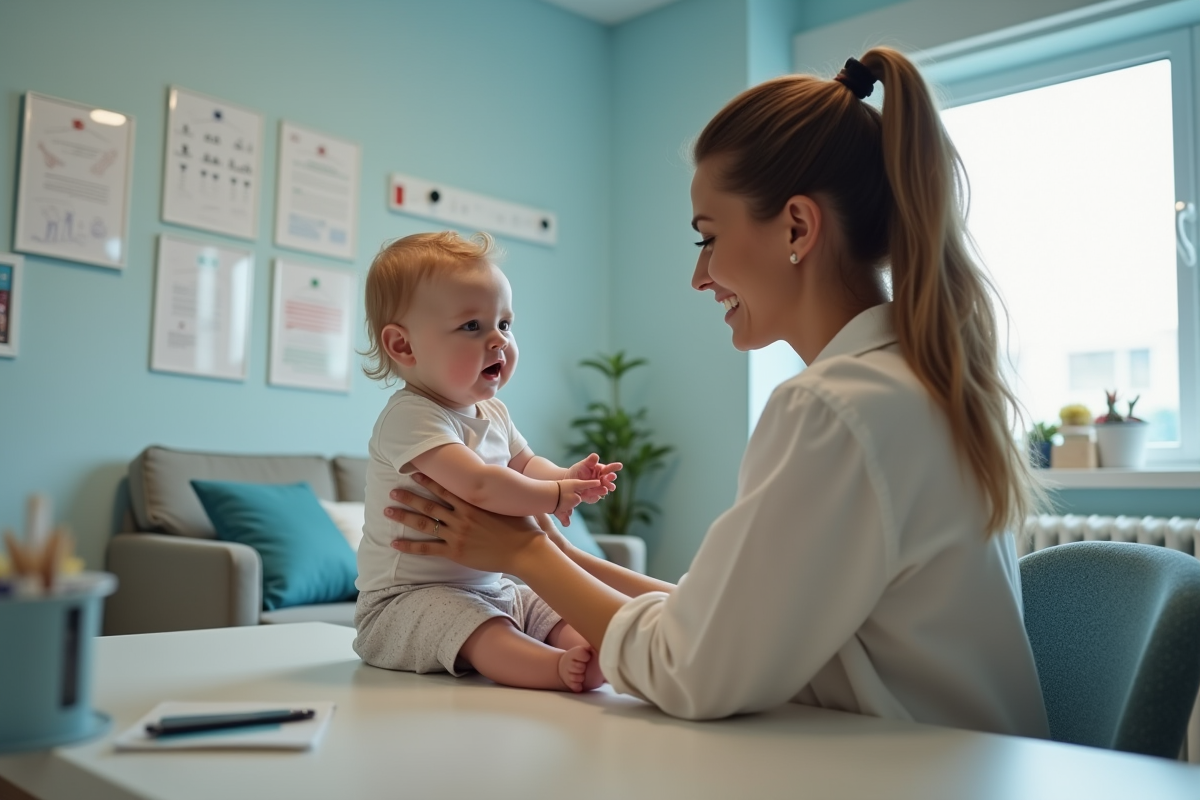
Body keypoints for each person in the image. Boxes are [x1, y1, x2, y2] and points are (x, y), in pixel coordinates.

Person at [386, 48, 1052, 736]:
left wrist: (520, 555)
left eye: (708, 238)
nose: (700, 277)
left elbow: (693, 670)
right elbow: (720, 624)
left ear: (797, 227)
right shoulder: (916, 384)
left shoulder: (837, 408)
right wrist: (553, 554)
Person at [354, 230, 621, 693]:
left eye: (505, 324)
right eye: (472, 326)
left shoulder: (493, 412)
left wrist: (566, 477)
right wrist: (555, 495)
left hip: (493, 586)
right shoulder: (410, 416)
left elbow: (525, 465)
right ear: (403, 347)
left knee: (542, 603)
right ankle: (552, 670)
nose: (498, 340)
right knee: (478, 626)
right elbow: (479, 485)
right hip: (406, 601)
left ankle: (588, 648)